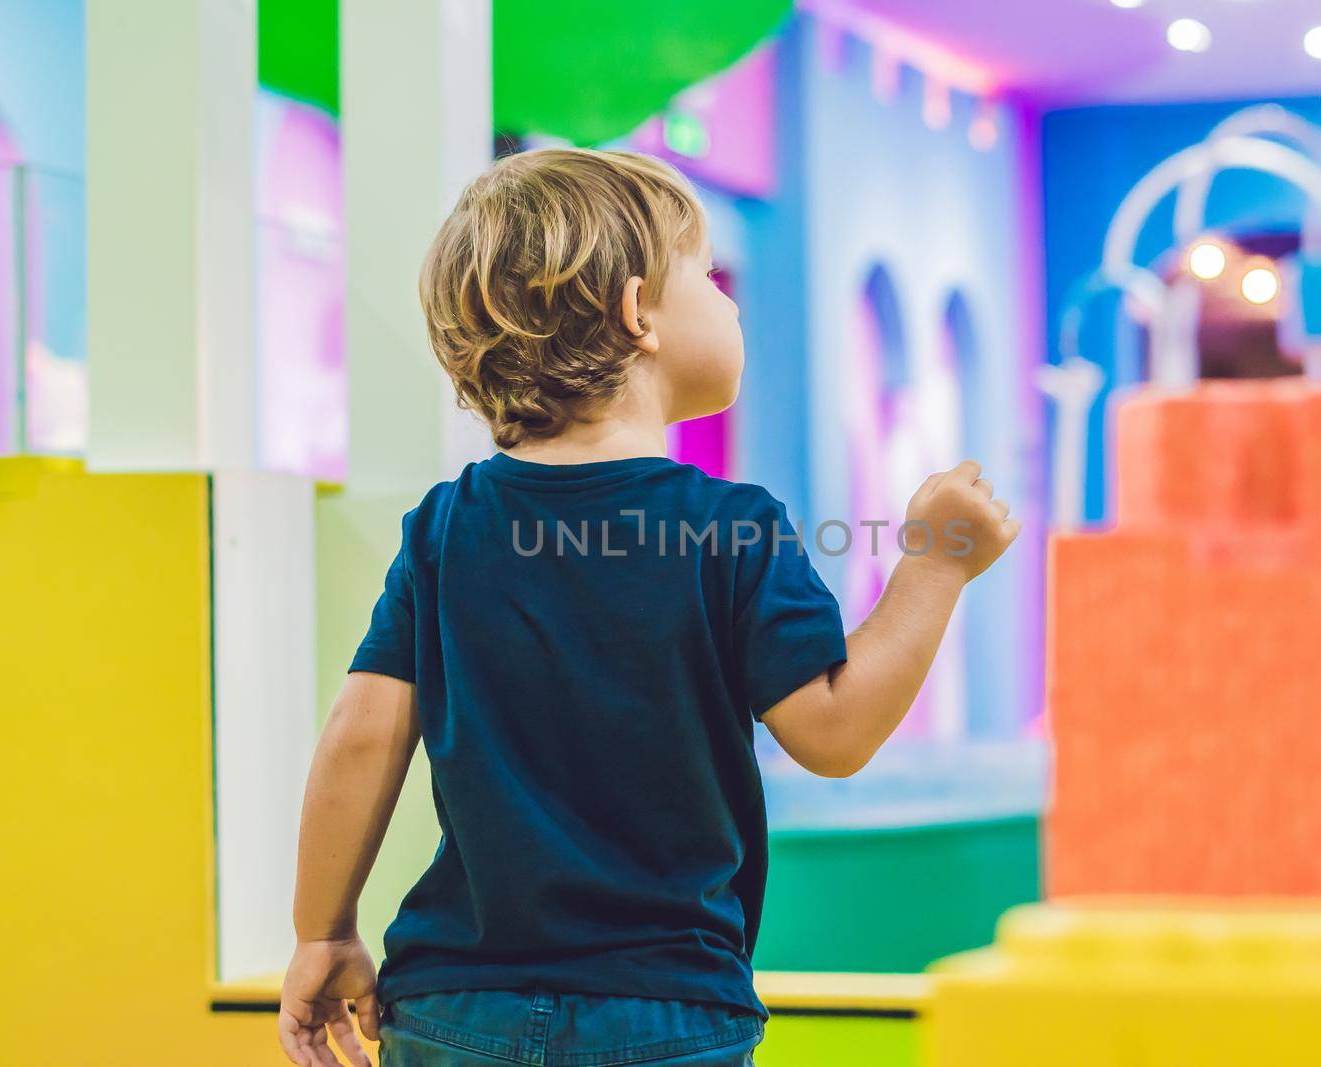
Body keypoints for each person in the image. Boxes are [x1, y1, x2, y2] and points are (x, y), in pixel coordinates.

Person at [277, 148, 1020, 1067]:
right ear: (639, 315)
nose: (730, 299)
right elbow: (833, 731)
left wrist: (324, 929)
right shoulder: (730, 528)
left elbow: (360, 733)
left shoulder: (445, 529)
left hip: (454, 1004)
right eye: (705, 276)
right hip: (664, 1012)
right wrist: (936, 563)